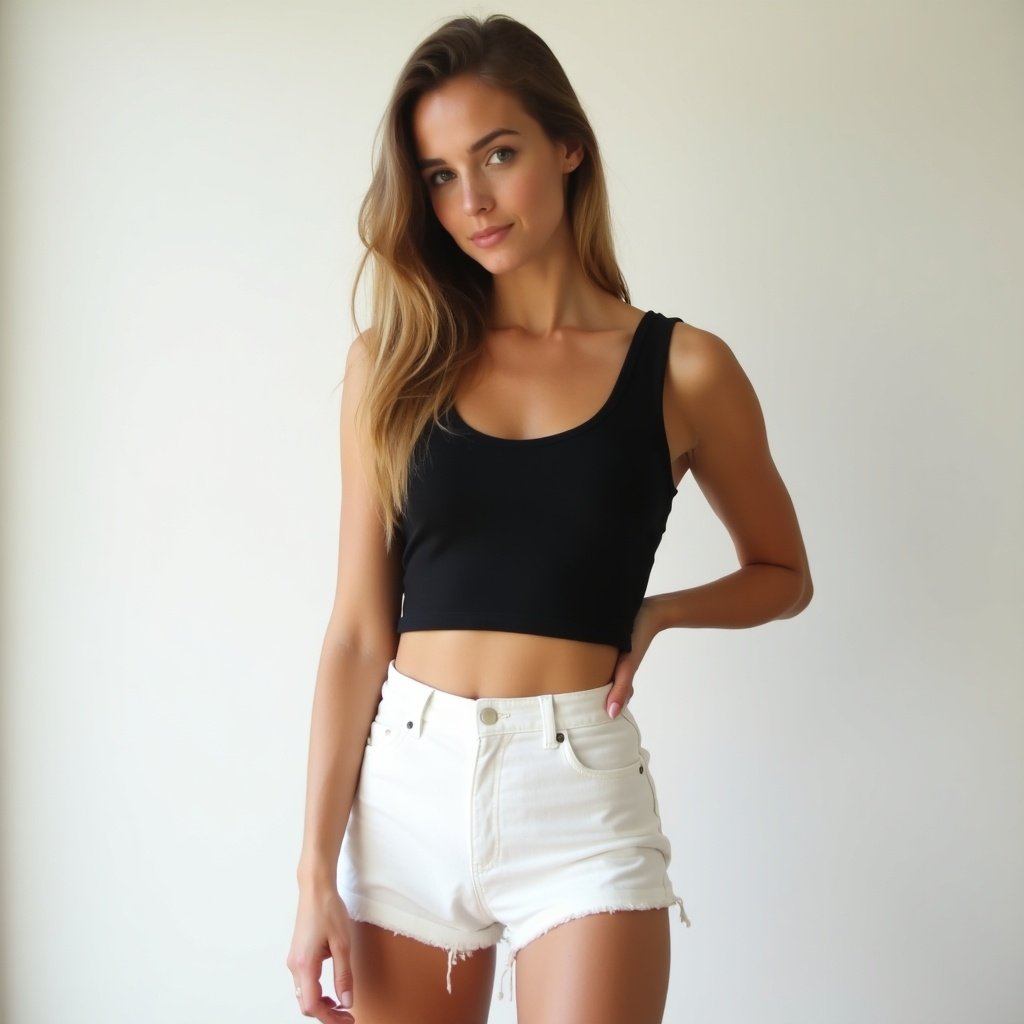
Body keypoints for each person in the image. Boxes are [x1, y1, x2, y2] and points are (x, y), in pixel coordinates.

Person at [285, 12, 812, 1024]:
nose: (471, 199)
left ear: (567, 145)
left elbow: (782, 573)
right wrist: (312, 873)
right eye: (439, 174)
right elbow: (357, 629)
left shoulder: (684, 369)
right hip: (403, 790)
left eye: (498, 154)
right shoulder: (389, 367)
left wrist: (653, 614)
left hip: (577, 796)